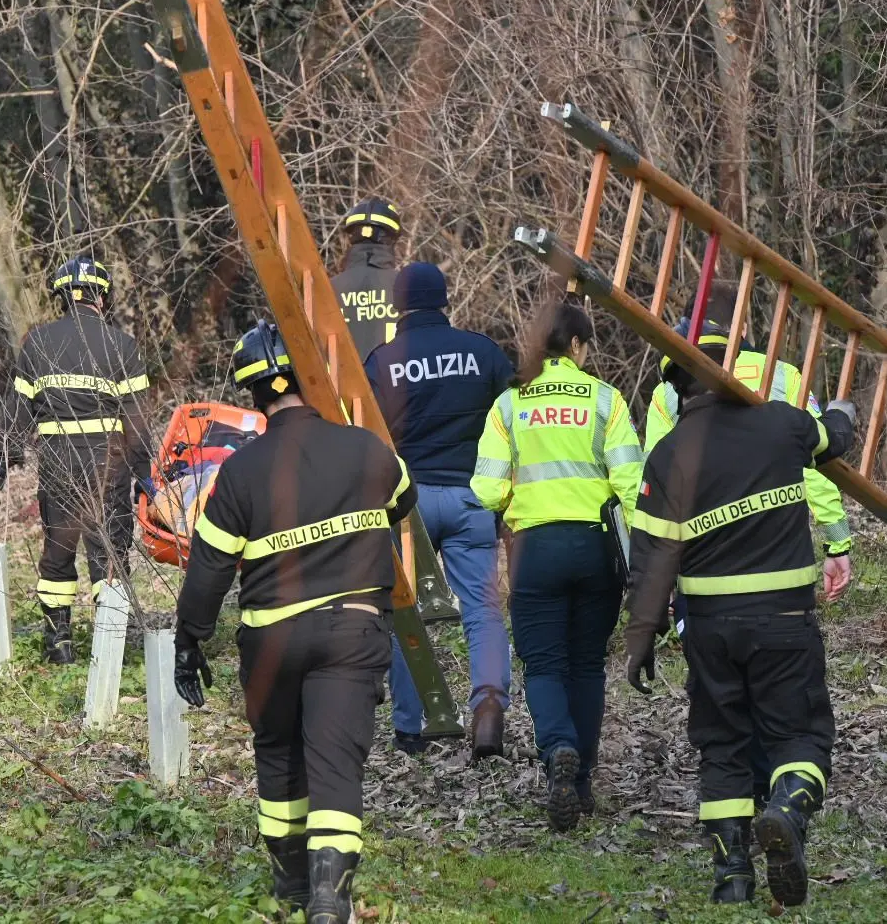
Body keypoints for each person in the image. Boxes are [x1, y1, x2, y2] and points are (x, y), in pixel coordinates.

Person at [173, 320, 416, 923]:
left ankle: (291, 891)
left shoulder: (240, 474)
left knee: (279, 757)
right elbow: (404, 502)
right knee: (336, 764)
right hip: (351, 634)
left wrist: (189, 641)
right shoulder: (365, 448)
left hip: (271, 641)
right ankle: (331, 903)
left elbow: (207, 571)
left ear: (252, 395)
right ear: (315, 377)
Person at [623, 351, 858, 907]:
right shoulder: (781, 424)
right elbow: (835, 438)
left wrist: (643, 636)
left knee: (722, 745)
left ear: (679, 391)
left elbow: (652, 561)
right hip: (784, 621)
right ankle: (789, 807)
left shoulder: (668, 454)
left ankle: (731, 877)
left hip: (709, 630)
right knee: (800, 734)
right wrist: (845, 408)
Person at [647, 282, 855, 808]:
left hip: (707, 596)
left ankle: (732, 871)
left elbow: (653, 495)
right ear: (739, 332)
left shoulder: (666, 399)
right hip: (782, 597)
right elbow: (820, 462)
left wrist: (652, 609)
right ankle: (785, 805)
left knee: (723, 731)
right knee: (791, 715)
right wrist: (836, 540)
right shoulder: (782, 380)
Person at [470, 300, 643, 831]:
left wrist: (512, 506)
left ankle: (558, 753)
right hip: (595, 549)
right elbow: (631, 484)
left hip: (534, 551)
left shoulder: (508, 405)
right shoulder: (606, 400)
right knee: (588, 663)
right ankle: (584, 781)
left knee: (543, 664)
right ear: (575, 346)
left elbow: (486, 488)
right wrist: (646, 555)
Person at [365, 262, 516, 759]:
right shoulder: (484, 353)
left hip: (409, 506)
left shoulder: (382, 361)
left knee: (406, 612)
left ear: (397, 305)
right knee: (483, 609)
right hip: (473, 497)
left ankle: (411, 729)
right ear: (445, 299)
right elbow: (511, 424)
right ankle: (489, 704)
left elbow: (365, 436)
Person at [0, 254, 153, 664]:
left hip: (59, 463)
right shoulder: (123, 345)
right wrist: (143, 473)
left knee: (58, 551)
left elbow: (17, 411)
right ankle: (110, 645)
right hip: (107, 464)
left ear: (62, 296)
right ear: (102, 296)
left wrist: (2, 459)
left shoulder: (38, 343)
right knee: (109, 550)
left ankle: (59, 643)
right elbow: (137, 421)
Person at [330, 197, 403, 360]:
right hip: (393, 382)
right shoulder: (406, 287)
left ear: (351, 238)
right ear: (392, 240)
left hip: (339, 384)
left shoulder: (328, 290)